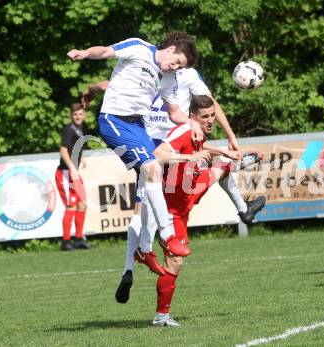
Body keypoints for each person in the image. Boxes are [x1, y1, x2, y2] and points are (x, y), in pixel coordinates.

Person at [68, 32, 201, 270]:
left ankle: (144, 249)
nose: (174, 67)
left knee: (154, 176)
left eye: (180, 67)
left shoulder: (169, 78)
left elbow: (174, 112)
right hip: (114, 120)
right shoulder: (139, 48)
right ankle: (168, 237)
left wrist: (193, 123)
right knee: (151, 169)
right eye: (176, 61)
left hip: (138, 126)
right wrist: (85, 53)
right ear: (170, 49)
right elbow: (106, 50)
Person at [151, 95, 261, 326]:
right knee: (175, 261)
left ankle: (242, 194)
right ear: (192, 117)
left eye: (212, 115)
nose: (210, 121)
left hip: (187, 194)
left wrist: (224, 151)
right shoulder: (183, 130)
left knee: (222, 167)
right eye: (205, 117)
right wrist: (191, 157)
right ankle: (161, 317)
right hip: (171, 208)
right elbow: (158, 154)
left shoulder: (197, 133)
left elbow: (201, 148)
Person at [55, 103, 90, 251]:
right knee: (71, 205)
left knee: (83, 204)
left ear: (84, 115)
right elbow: (63, 151)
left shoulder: (79, 130)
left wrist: (80, 159)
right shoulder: (69, 130)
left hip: (73, 172)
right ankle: (66, 241)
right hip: (65, 173)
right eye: (75, 114)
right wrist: (72, 168)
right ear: (71, 116)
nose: (78, 116)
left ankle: (79, 239)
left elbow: (73, 149)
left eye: (80, 114)